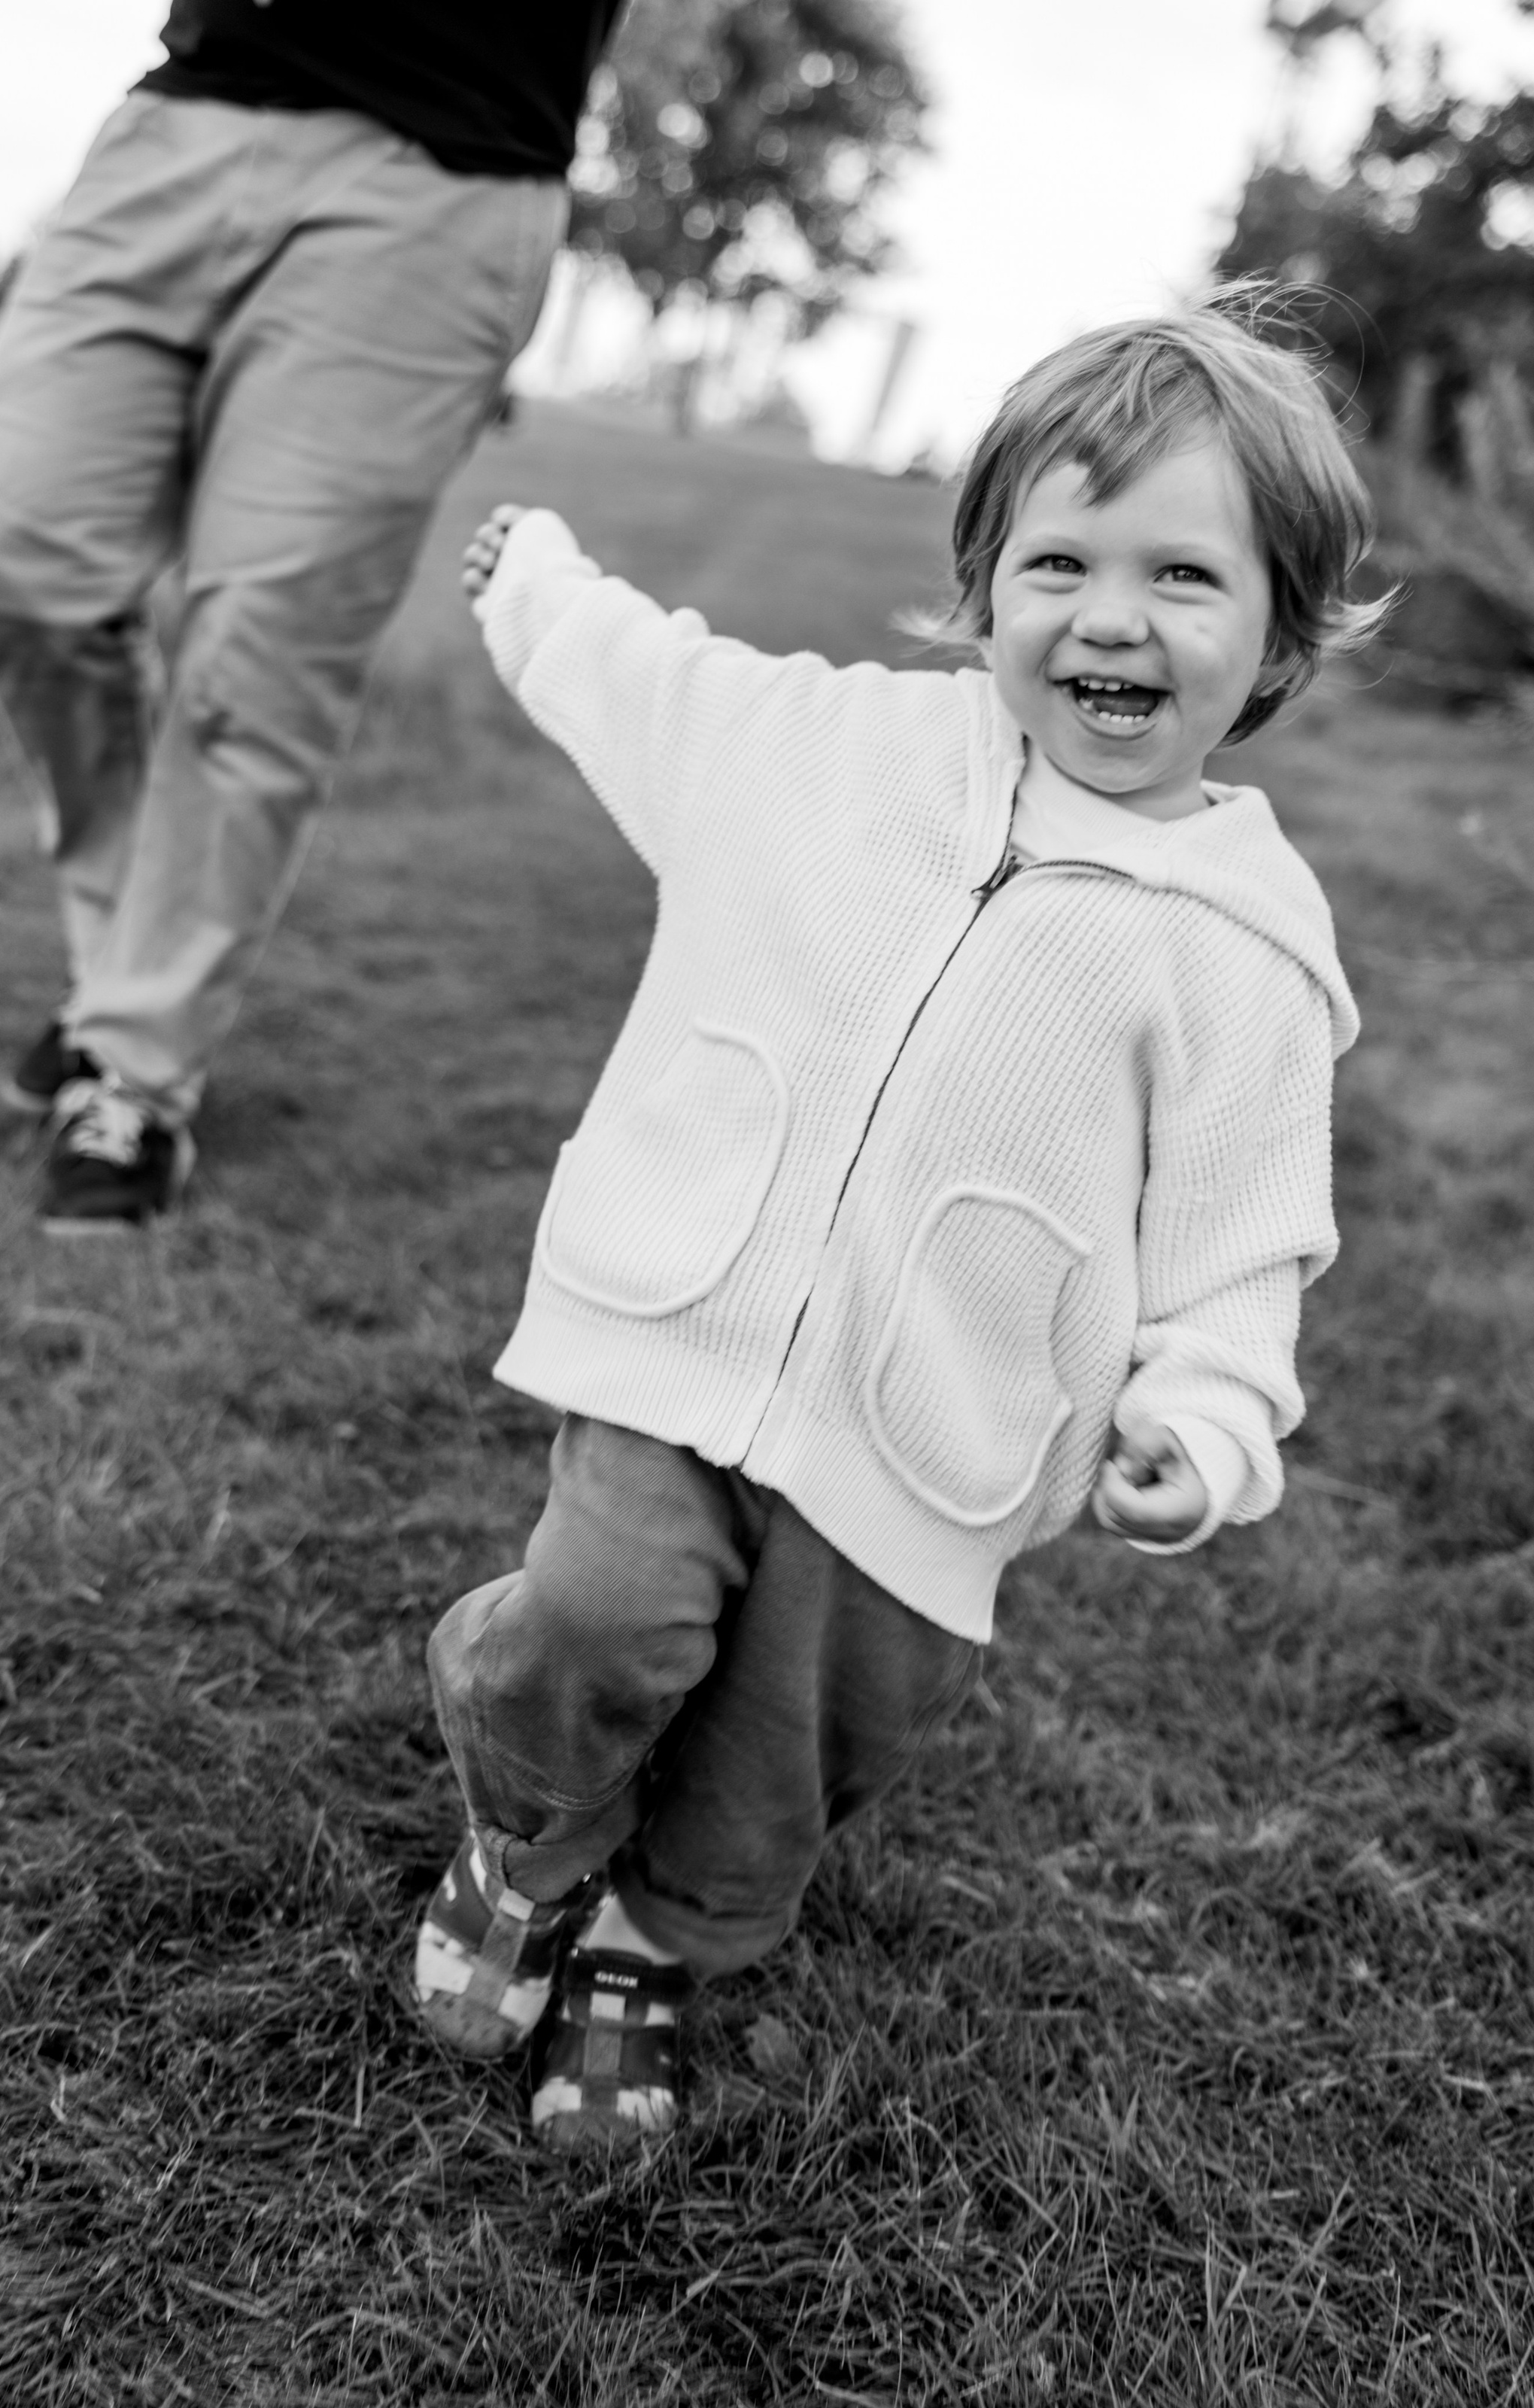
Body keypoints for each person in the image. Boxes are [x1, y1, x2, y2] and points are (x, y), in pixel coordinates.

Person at [409, 296, 1387, 2151]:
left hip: (933, 1437)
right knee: (594, 1624)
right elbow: (656, 683)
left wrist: (1200, 1424)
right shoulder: (831, 753)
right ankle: (524, 1832)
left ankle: (649, 1939)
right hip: (683, 1327)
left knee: (787, 1754)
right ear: (983, 583)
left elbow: (1239, 1248)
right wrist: (533, 577)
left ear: (1277, 632)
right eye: (1058, 562)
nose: (1109, 615)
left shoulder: (1243, 950)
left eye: (1183, 574)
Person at [0, 2, 624, 1230]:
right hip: (192, 110)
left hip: (448, 175)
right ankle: (121, 982)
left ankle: (136, 1074)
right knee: (23, 564)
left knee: (255, 669)